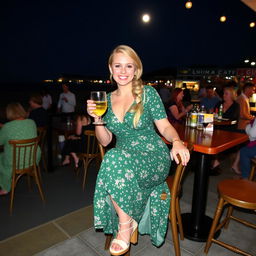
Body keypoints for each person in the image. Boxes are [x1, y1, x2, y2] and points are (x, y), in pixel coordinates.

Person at [87, 45, 190, 255]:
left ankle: (124, 227)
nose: (123, 71)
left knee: (113, 160)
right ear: (110, 68)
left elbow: (165, 126)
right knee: (113, 157)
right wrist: (97, 120)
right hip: (124, 159)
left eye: (128, 66)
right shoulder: (104, 100)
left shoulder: (148, 93)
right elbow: (105, 141)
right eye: (118, 65)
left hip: (154, 156)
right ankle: (128, 222)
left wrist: (177, 141)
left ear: (136, 70)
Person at [0, 103, 41, 195]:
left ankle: (5, 186)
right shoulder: (32, 122)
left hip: (14, 163)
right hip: (32, 160)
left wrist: (3, 129)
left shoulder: (7, 127)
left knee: (1, 157)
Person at [210, 87, 240, 175]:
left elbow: (233, 118)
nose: (224, 95)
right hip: (218, 128)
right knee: (212, 139)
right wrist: (213, 113)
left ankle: (216, 161)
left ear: (232, 95)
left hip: (229, 130)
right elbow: (214, 113)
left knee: (221, 142)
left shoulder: (235, 105)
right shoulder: (219, 103)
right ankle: (215, 160)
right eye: (223, 93)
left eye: (226, 93)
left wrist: (221, 114)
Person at [231, 82, 255, 174]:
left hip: (243, 126)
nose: (253, 92)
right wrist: (253, 118)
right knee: (243, 147)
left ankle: (235, 165)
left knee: (242, 147)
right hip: (242, 126)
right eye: (252, 89)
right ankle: (236, 165)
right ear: (247, 89)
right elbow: (242, 114)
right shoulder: (242, 99)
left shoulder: (244, 98)